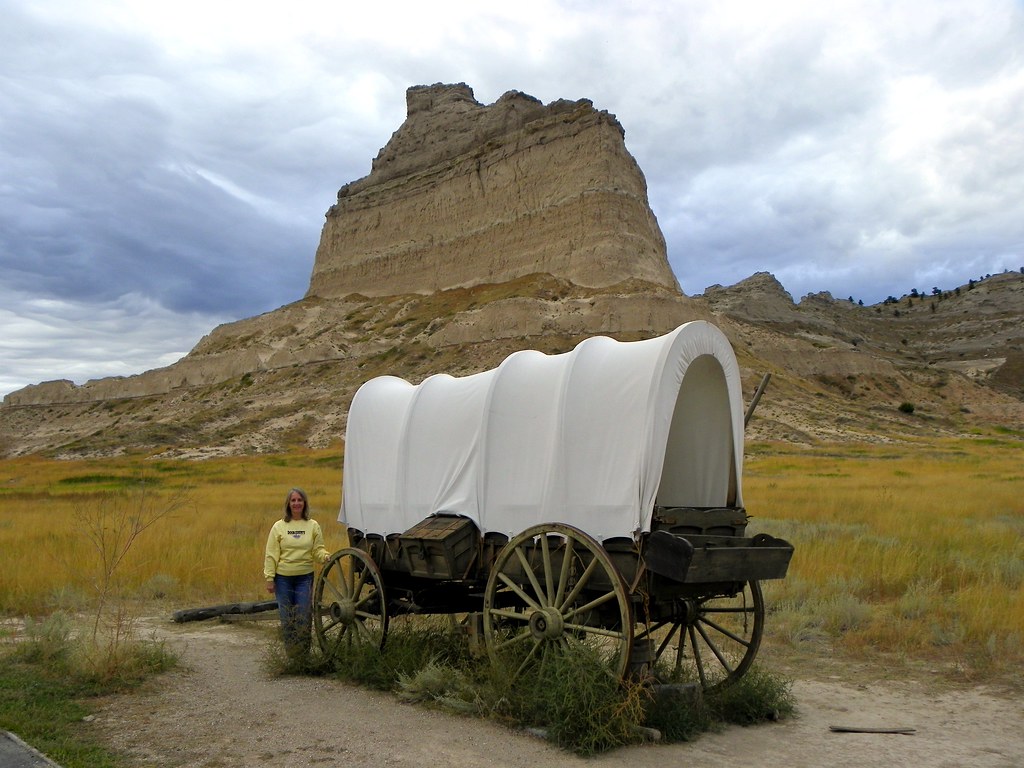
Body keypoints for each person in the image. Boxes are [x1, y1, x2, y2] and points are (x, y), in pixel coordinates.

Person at [263, 487, 331, 656]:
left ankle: (304, 654)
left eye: (299, 500)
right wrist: (270, 578)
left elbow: (317, 550)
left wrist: (325, 556)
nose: (296, 503)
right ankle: (292, 654)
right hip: (283, 579)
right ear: (288, 504)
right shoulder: (279, 526)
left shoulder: (313, 525)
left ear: (304, 503)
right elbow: (271, 554)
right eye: (293, 500)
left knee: (303, 616)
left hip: (304, 578)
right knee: (287, 617)